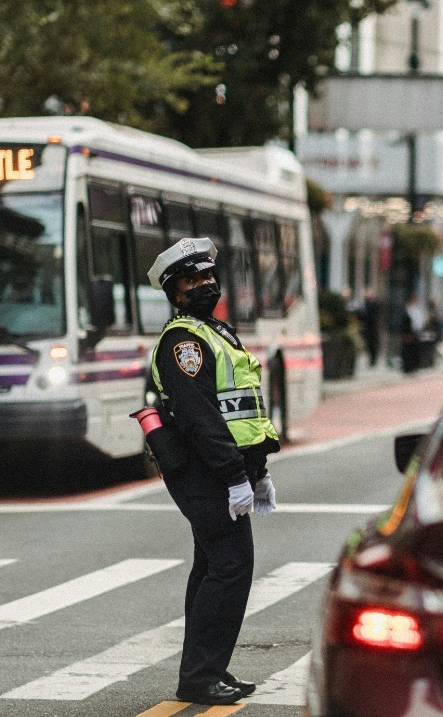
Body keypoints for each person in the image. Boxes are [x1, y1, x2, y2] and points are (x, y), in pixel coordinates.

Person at [145, 237, 279, 705]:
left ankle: (204, 671)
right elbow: (201, 418)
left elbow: (241, 409)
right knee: (230, 565)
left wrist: (256, 468)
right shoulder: (184, 342)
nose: (204, 284)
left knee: (212, 566)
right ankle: (201, 676)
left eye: (207, 276)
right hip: (202, 470)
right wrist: (234, 477)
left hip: (222, 468)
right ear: (174, 292)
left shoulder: (216, 332)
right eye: (191, 279)